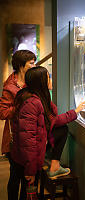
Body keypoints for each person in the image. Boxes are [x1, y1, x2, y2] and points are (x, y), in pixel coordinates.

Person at [10, 66, 85, 189]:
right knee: (26, 190)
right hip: (24, 159)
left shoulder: (38, 98)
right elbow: (28, 141)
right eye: (48, 77)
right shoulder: (32, 103)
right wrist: (30, 170)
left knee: (62, 129)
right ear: (41, 82)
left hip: (26, 156)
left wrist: (75, 112)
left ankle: (55, 165)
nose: (51, 80)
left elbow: (53, 121)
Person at [0, 50, 36, 200]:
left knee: (26, 178)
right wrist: (21, 106)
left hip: (28, 136)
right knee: (15, 176)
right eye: (31, 63)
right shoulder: (9, 87)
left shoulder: (31, 82)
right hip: (14, 139)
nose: (34, 65)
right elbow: (2, 113)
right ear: (21, 66)